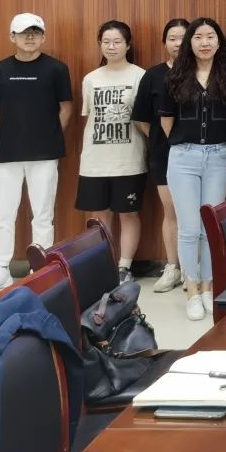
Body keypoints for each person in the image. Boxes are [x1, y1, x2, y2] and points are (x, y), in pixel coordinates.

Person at [0, 13, 73, 293]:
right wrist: (15, 135)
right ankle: (0, 269)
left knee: (43, 214)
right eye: (24, 32)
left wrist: (48, 136)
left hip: (45, 153)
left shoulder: (57, 68)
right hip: (8, 153)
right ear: (12, 37)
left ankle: (40, 270)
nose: (30, 37)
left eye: (35, 32)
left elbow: (65, 109)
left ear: (43, 36)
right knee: (3, 214)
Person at [160, 17, 226, 321]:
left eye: (210, 36)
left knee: (210, 226)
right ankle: (191, 289)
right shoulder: (174, 77)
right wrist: (187, 142)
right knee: (189, 228)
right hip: (183, 157)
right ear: (189, 42)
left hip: (218, 156)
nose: (205, 42)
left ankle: (208, 286)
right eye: (198, 37)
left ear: (219, 42)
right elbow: (166, 121)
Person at [75, 20, 148, 284]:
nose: (111, 46)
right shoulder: (91, 79)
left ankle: (124, 267)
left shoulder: (140, 76)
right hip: (94, 161)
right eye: (106, 42)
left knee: (129, 214)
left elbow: (144, 119)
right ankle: (102, 267)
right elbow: (89, 119)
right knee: (98, 216)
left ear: (128, 45)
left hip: (129, 160)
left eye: (117, 41)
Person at [133, 18, 188, 293]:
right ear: (164, 42)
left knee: (197, 213)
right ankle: (173, 267)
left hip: (199, 153)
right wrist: (163, 139)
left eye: (183, 38)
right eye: (172, 38)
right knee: (172, 212)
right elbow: (142, 120)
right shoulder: (153, 75)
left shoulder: (205, 72)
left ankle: (194, 270)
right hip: (163, 153)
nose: (178, 43)